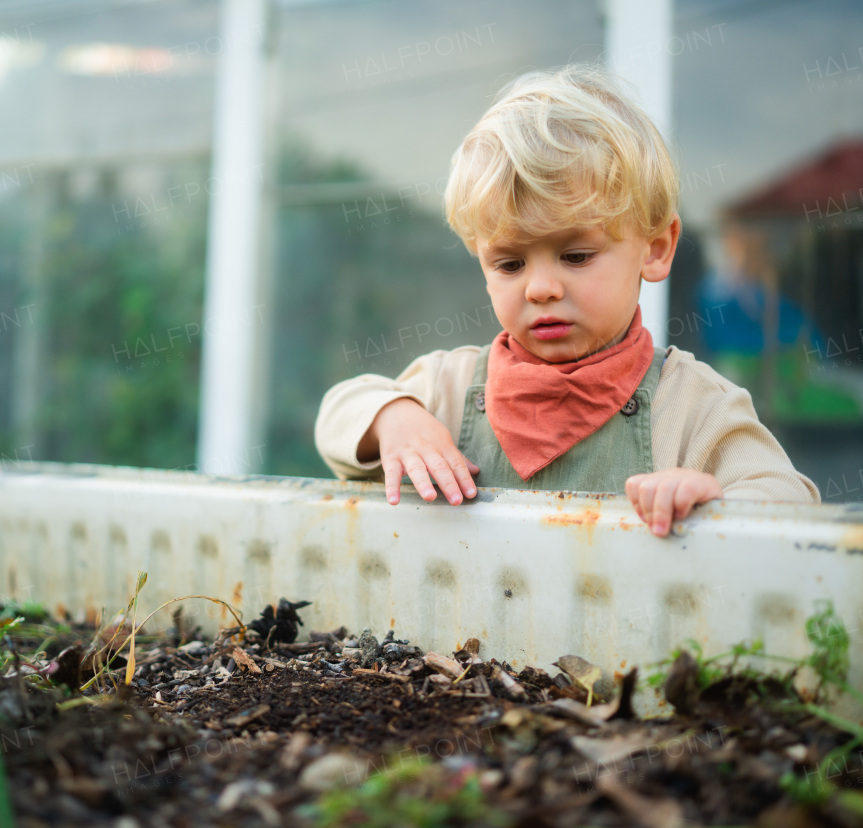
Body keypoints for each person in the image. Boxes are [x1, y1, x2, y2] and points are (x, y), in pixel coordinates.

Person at [313, 64, 818, 536]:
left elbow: (791, 502)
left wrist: (713, 500)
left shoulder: (692, 406)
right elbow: (338, 415)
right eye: (510, 264)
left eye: (575, 256)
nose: (540, 288)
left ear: (656, 248)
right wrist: (395, 419)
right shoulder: (449, 388)